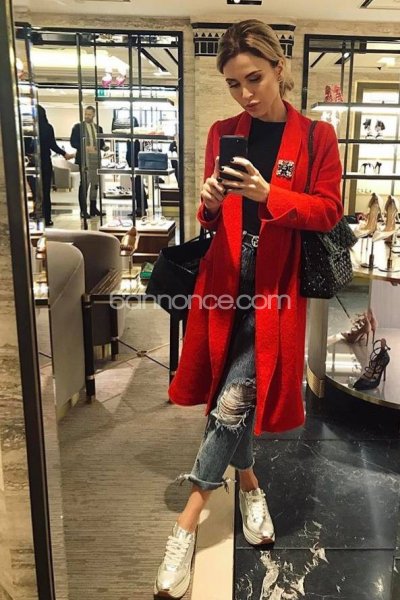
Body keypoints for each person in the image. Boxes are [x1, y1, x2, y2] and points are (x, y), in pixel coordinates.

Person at [154, 19, 343, 599]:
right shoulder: (222, 132)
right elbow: (210, 219)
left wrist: (269, 195)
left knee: (235, 397)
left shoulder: (315, 137)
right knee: (227, 393)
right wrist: (209, 202)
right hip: (222, 284)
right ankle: (252, 486)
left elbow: (328, 211)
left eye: (254, 78)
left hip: (275, 291)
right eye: (234, 84)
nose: (245, 94)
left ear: (279, 68)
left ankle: (187, 522)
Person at [30, 105, 74, 227]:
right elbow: (52, 145)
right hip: (45, 161)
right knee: (45, 191)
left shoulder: (30, 128)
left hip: (32, 162)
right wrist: (64, 154)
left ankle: (37, 213)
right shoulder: (48, 127)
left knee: (35, 191)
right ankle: (47, 217)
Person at [70, 105, 105, 218]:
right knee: (84, 184)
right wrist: (84, 147)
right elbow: (73, 142)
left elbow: (101, 143)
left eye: (89, 114)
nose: (87, 116)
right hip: (84, 159)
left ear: (94, 115)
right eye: (86, 114)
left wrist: (104, 148)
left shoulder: (98, 128)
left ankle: (93, 208)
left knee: (95, 184)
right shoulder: (78, 127)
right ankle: (83, 210)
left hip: (96, 159)